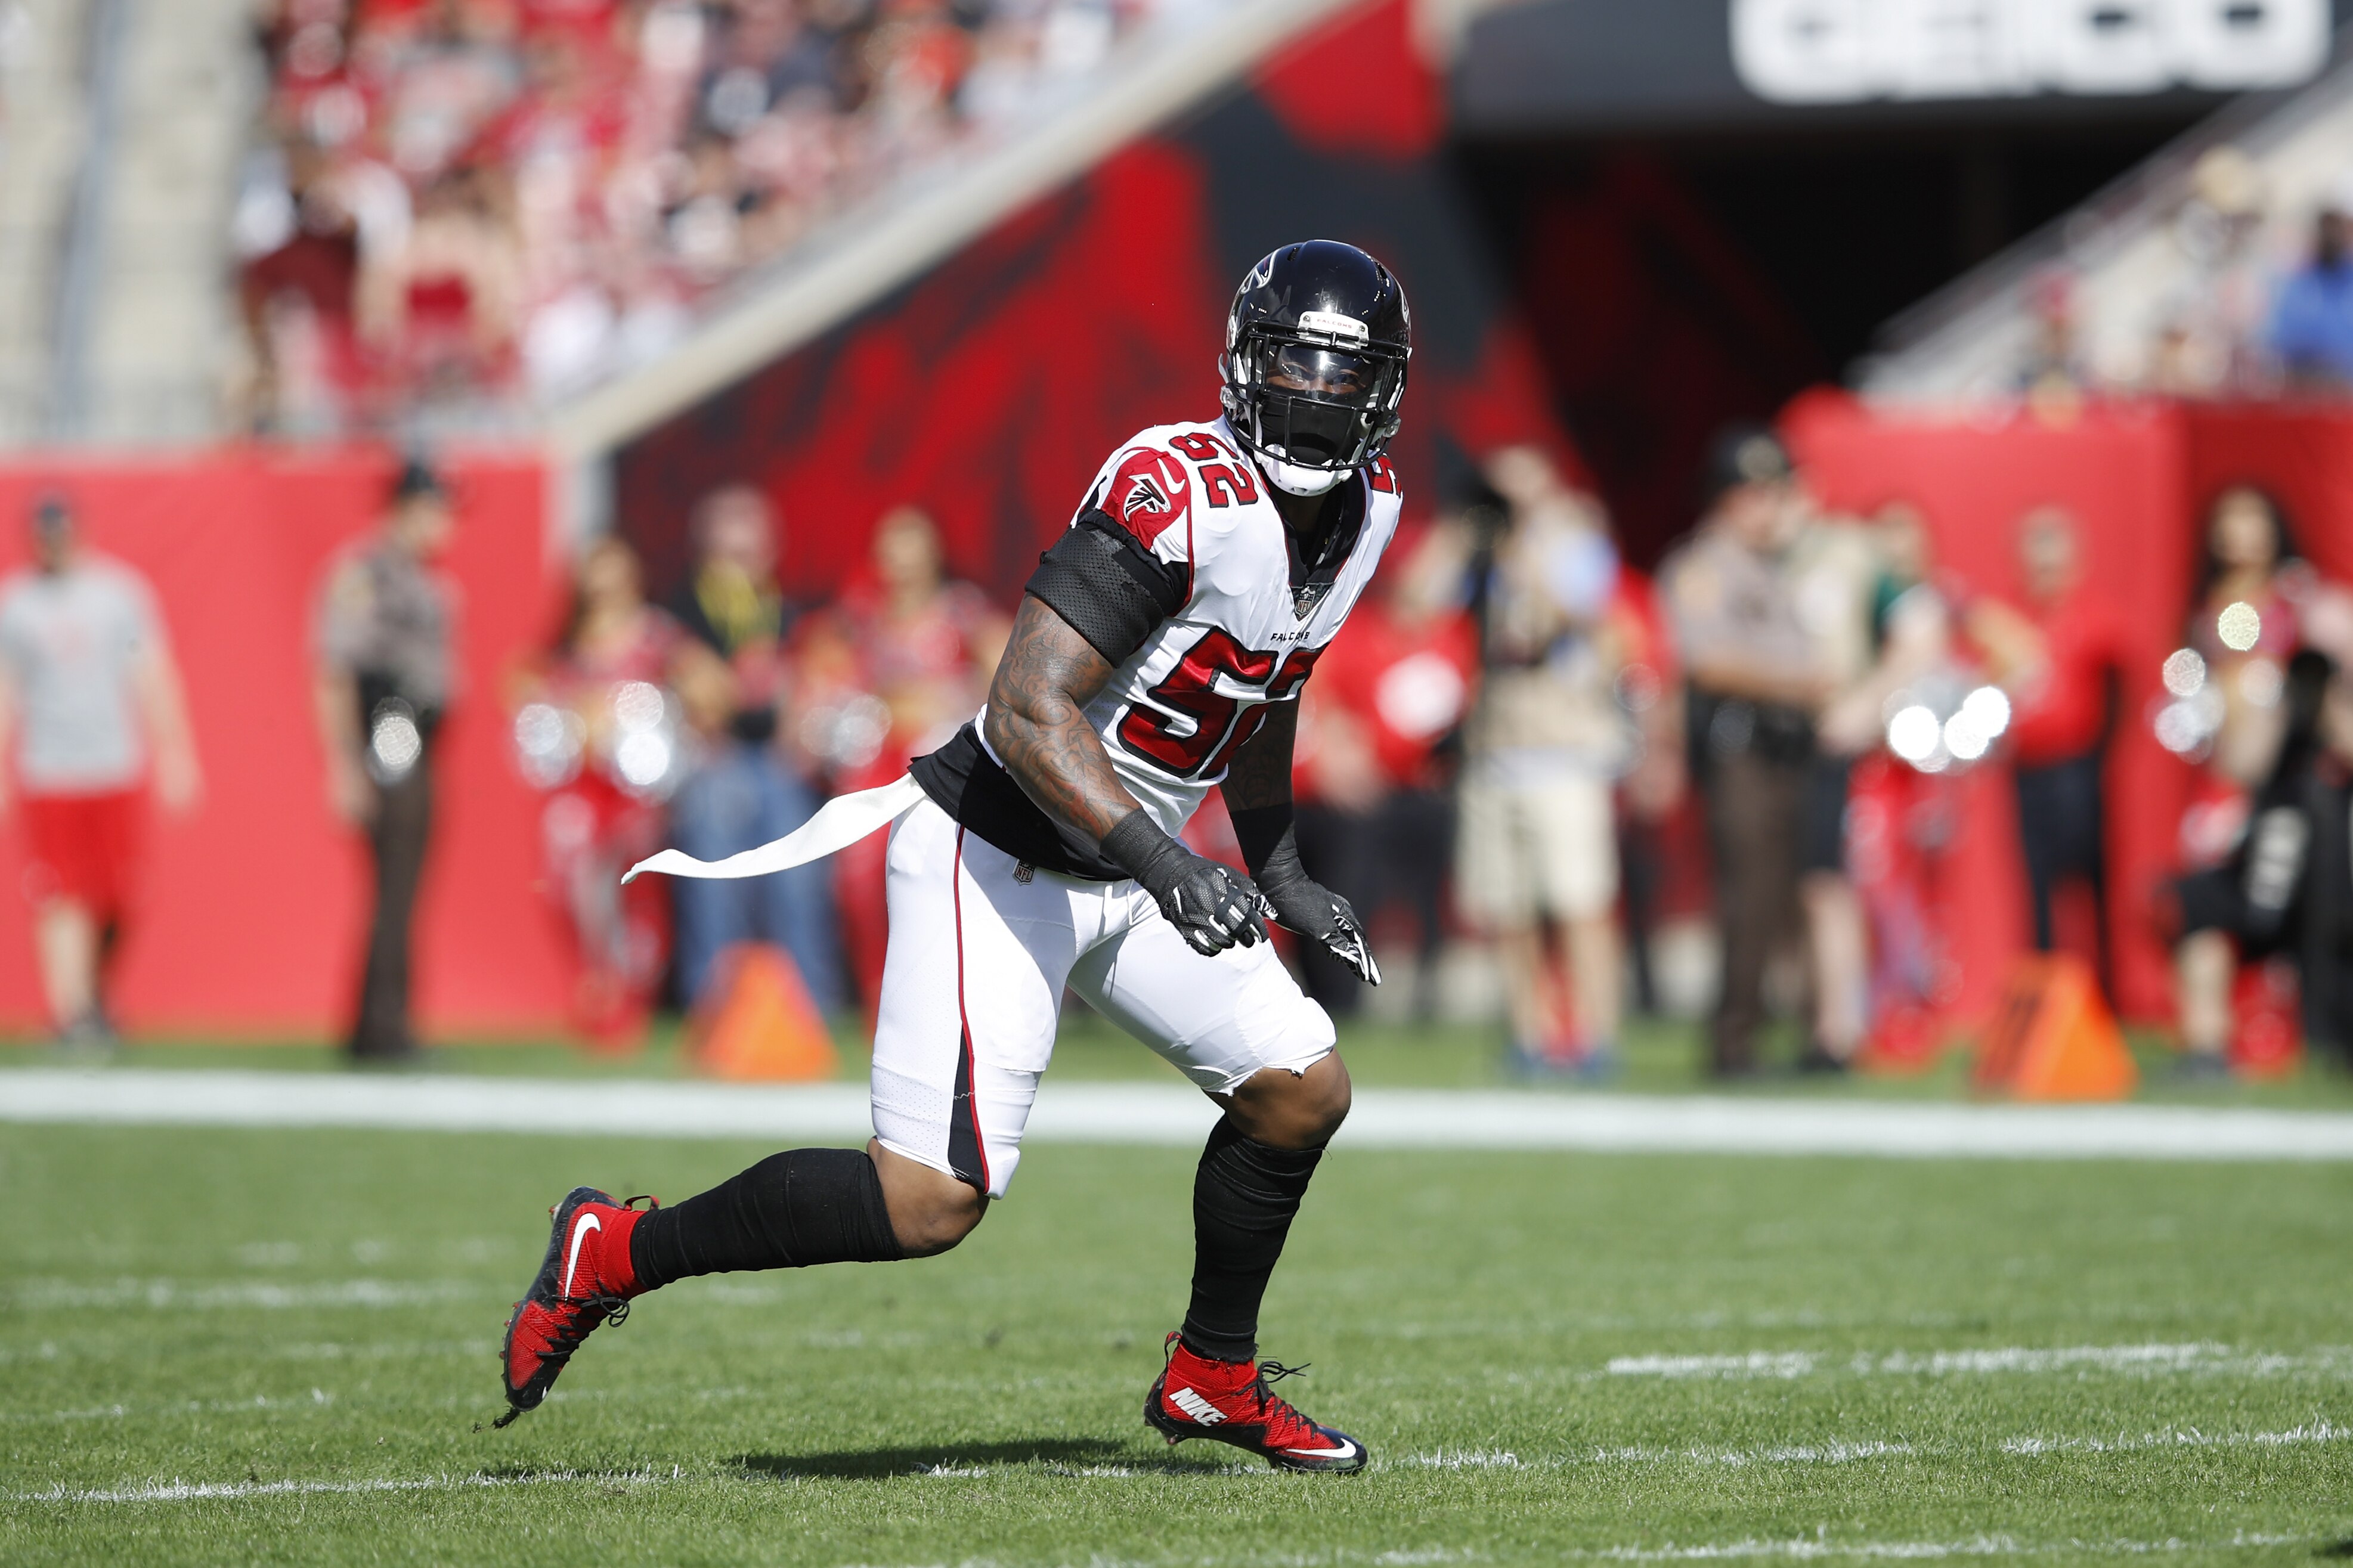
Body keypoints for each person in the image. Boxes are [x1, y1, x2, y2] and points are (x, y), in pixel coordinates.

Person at [496, 239, 1407, 1473]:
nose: (1311, 390)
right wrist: (1165, 858)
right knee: (928, 1202)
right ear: (1244, 365)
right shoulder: (1175, 487)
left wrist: (1278, 862)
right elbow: (1028, 707)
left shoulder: (1361, 516)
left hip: (1132, 869)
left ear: (1385, 388)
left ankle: (1213, 1376)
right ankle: (613, 1248)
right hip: (1007, 849)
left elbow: (1260, 683)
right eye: (1292, 360)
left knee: (1299, 1088)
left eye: (1339, 370)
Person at [511, 537, 733, 1048]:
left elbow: (713, 684)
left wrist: (681, 717)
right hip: (581, 785)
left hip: (636, 789)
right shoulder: (569, 642)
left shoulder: (656, 636)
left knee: (638, 887)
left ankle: (632, 997)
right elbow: (527, 685)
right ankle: (592, 984)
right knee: (569, 882)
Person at [0, 496, 202, 1046]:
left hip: (112, 763)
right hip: (49, 768)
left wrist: (175, 750)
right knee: (59, 893)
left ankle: (93, 994)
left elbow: (151, 671)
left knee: (118, 894)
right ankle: (71, 1012)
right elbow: (7, 690)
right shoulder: (17, 605)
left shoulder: (119, 595)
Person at [1660, 426, 1830, 1078]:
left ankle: (1785, 1027)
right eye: (1760, 494)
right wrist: (1799, 682)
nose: (1773, 507)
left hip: (1786, 748)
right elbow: (1706, 662)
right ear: (1730, 500)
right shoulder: (1703, 566)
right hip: (1742, 747)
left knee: (1786, 894)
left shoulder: (1775, 564)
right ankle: (1733, 1039)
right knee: (1750, 895)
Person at [1456, 448, 1631, 1074]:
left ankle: (1595, 1036)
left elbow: (1571, 613)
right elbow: (1419, 600)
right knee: (1507, 905)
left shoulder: (1573, 540)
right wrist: (1465, 530)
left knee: (1579, 900)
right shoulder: (1477, 544)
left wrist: (1525, 540)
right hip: (1494, 745)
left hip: (1564, 746)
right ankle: (1528, 1034)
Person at [662, 485, 840, 1013]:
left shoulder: (789, 612)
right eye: (728, 554)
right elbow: (697, 694)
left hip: (779, 765)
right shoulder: (681, 613)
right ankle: (712, 1007)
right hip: (712, 762)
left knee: (800, 872)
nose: (741, 565)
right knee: (715, 864)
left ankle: (810, 1006)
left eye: (751, 551)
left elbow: (812, 692)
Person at [1292, 520, 1478, 1017]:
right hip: (1363, 793)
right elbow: (1320, 703)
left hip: (1426, 793)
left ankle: (1430, 993)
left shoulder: (1458, 637)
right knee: (1351, 865)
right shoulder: (1358, 632)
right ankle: (1339, 998)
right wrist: (1343, 753)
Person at [314, 459, 459, 1063]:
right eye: (437, 509)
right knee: (395, 883)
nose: (446, 524)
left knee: (403, 883)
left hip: (416, 733)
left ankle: (382, 1017)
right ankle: (383, 1027)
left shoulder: (424, 576)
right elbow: (336, 672)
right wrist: (344, 764)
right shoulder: (367, 570)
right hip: (391, 728)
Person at [1968, 507, 2130, 974]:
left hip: (2078, 766)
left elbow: (2120, 689)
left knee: (2089, 877)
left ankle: (2104, 988)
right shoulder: (2006, 623)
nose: (2045, 570)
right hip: (2027, 768)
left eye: (2053, 558)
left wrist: (2098, 754)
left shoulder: (2096, 617)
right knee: (2035, 879)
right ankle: (2041, 982)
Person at [2267, 202, 2353, 392]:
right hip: (2307, 385)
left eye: (2336, 230)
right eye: (2326, 230)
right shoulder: (2299, 282)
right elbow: (2281, 336)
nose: (2331, 238)